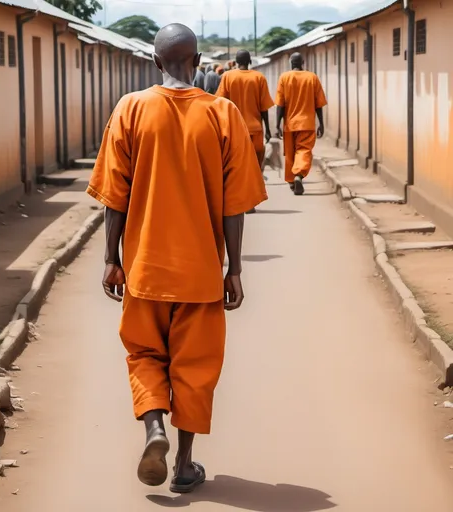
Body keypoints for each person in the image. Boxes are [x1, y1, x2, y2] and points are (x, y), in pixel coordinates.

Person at [87, 23, 267, 494]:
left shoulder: (131, 109)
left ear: (155, 61)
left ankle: (154, 429)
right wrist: (235, 268)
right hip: (202, 273)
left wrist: (111, 257)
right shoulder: (222, 114)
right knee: (195, 367)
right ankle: (185, 464)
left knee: (144, 353)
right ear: (198, 59)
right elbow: (235, 206)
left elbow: (115, 196)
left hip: (145, 269)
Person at [275, 52, 327, 195]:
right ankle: (298, 175)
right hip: (307, 123)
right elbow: (318, 104)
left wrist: (277, 124)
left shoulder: (284, 78)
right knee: (303, 151)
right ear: (302, 62)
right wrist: (321, 123)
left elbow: (280, 104)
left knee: (290, 154)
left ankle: (292, 181)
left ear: (291, 62)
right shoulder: (312, 78)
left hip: (289, 124)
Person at [216, 49, 273, 169]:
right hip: (255, 130)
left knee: (238, 166)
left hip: (234, 130)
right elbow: (264, 108)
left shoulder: (228, 76)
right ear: (250, 61)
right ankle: (254, 186)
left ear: (236, 62)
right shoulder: (259, 78)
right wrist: (267, 129)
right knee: (255, 167)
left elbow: (220, 104)